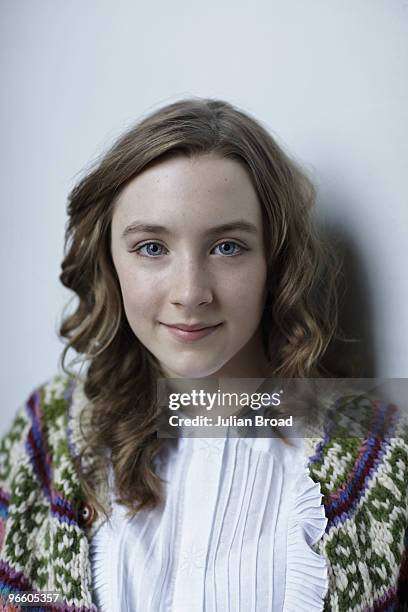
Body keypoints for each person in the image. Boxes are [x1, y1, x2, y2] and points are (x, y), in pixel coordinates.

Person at [0, 98, 407, 612]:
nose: (190, 293)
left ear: (275, 263)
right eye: (152, 247)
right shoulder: (46, 438)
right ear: (110, 262)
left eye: (227, 247)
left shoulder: (382, 457)